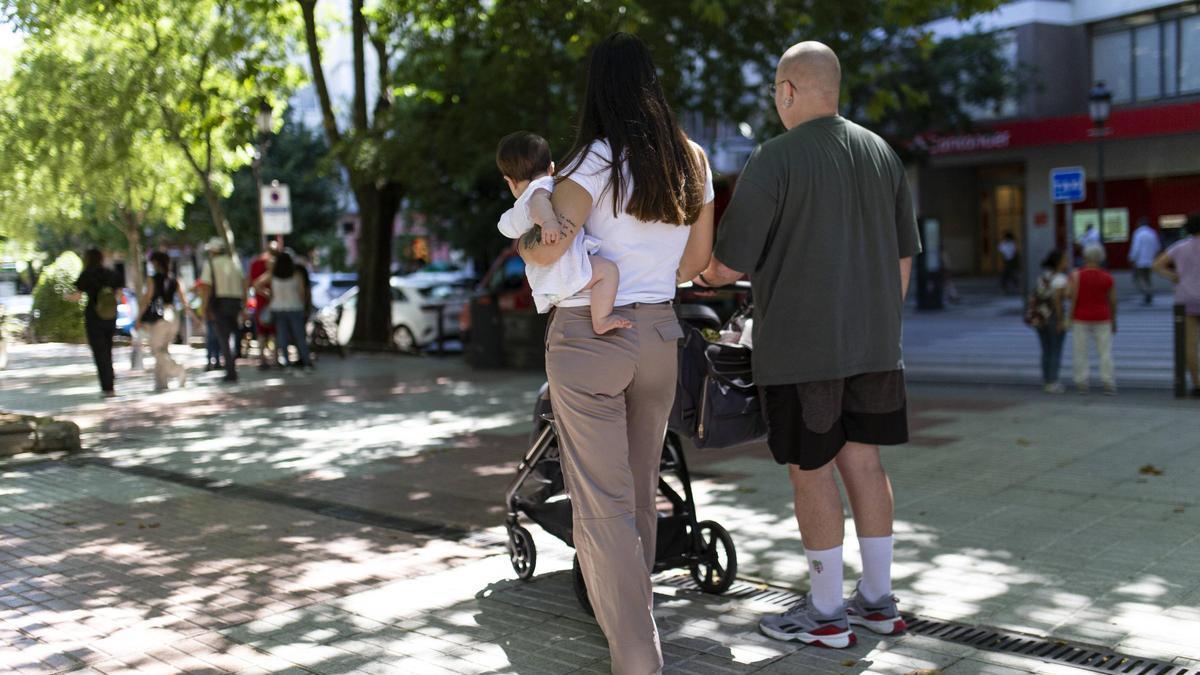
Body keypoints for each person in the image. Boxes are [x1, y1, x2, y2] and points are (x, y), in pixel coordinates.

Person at [696, 41, 919, 649]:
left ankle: (825, 613)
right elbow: (903, 258)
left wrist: (694, 274)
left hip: (800, 351)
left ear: (788, 90)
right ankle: (878, 602)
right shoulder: (882, 154)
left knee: (811, 473)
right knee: (868, 467)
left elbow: (725, 264)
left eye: (775, 90)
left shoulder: (776, 158)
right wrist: (877, 323)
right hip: (877, 347)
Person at [518, 33, 714, 674]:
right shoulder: (691, 161)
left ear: (596, 88)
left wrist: (527, 235)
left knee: (601, 510)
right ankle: (639, 634)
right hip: (660, 337)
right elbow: (696, 263)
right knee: (636, 500)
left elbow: (547, 247)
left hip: (589, 339)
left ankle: (636, 659)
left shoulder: (593, 162)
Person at [496, 131, 630, 334]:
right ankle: (601, 319)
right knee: (608, 271)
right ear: (551, 168)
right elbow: (538, 202)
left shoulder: (514, 212)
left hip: (546, 282)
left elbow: (506, 228)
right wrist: (549, 221)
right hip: (569, 268)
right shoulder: (544, 186)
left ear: (510, 181)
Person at [1152, 212, 1200, 396]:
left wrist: (1173, 276)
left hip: (1185, 299)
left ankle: (1197, 384)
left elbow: (1156, 265)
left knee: (1190, 344)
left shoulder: (1179, 247)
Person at [137, 251, 194, 392]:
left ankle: (177, 369)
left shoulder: (152, 279)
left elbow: (147, 299)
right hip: (173, 316)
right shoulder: (175, 279)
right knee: (163, 350)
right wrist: (195, 318)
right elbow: (184, 301)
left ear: (156, 263)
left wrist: (138, 318)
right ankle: (161, 383)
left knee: (156, 350)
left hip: (160, 317)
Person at [69, 248, 122, 397]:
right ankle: (111, 381)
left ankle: (107, 387)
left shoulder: (86, 274)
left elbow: (77, 296)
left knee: (100, 352)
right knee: (109, 349)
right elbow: (119, 294)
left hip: (93, 317)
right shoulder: (111, 274)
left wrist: (66, 296)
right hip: (110, 316)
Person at [1070, 244, 1118, 395]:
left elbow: (1069, 295)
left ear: (1084, 257)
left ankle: (1082, 383)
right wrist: (1114, 320)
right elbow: (1113, 301)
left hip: (1080, 317)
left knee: (1080, 351)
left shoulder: (1076, 275)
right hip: (1102, 317)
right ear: (1101, 258)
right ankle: (1108, 383)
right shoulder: (1107, 277)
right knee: (1105, 352)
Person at [253, 251, 313, 369]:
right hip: (295, 307)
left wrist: (269, 295)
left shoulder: (273, 274)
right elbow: (302, 293)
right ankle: (306, 362)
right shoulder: (296, 274)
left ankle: (287, 363)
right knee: (299, 336)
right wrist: (304, 307)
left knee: (282, 336)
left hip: (278, 308)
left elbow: (256, 284)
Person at [198, 237, 246, 383]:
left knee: (223, 338)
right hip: (235, 303)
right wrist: (243, 305)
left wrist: (204, 307)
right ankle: (231, 368)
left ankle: (230, 371)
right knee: (231, 337)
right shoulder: (234, 263)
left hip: (220, 304)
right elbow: (244, 283)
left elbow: (206, 287)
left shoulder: (211, 264)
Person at [1031, 250, 1070, 394]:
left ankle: (1046, 380)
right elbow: (1059, 302)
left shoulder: (1042, 276)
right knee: (1055, 350)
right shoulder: (1061, 279)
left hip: (1041, 317)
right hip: (1054, 318)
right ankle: (1052, 382)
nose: (1067, 262)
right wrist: (1061, 321)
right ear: (1058, 263)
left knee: (1046, 350)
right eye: (1065, 260)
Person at [249, 241, 278, 369]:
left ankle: (265, 359)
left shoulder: (256, 263)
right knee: (271, 332)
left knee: (264, 333)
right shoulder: (272, 263)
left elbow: (252, 283)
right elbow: (255, 283)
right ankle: (272, 358)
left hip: (265, 303)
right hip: (269, 303)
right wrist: (268, 294)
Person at [1128, 217, 1161, 305]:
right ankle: (1149, 291)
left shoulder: (1138, 233)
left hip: (1140, 261)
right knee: (1148, 278)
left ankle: (1147, 292)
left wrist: (1132, 258)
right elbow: (1157, 247)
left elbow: (1136, 248)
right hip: (1150, 260)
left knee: (1140, 278)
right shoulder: (1152, 233)